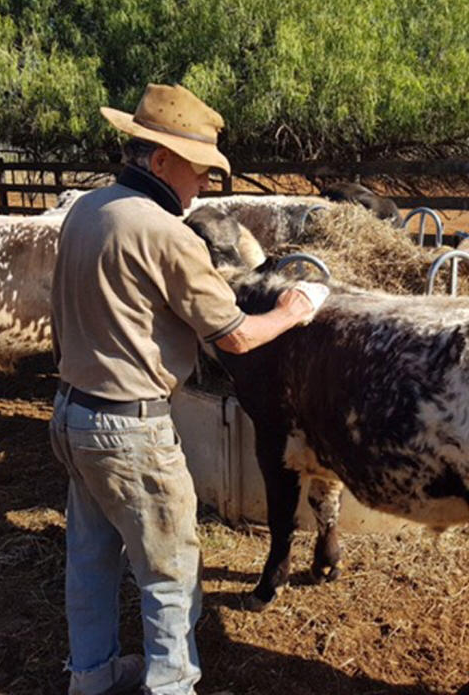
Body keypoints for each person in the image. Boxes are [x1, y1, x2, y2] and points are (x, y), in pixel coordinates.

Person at [49, 83, 326, 695]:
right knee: (171, 568)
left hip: (73, 411)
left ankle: (91, 677)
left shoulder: (87, 210)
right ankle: (171, 686)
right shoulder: (166, 233)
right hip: (131, 426)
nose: (204, 185)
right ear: (160, 159)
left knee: (91, 556)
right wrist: (293, 309)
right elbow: (235, 337)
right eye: (199, 170)